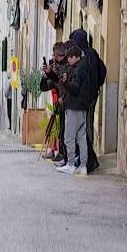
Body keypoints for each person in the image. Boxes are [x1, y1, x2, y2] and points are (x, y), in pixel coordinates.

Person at [69, 29, 106, 173]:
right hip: (91, 96)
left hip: (86, 99)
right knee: (85, 128)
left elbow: (100, 72)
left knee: (84, 129)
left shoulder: (85, 57)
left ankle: (90, 161)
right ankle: (88, 159)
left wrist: (93, 87)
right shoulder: (93, 54)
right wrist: (97, 86)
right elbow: (103, 71)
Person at [56, 46, 91, 175]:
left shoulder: (77, 70)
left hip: (74, 106)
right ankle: (83, 166)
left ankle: (70, 164)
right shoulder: (85, 67)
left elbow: (75, 88)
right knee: (81, 137)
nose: (69, 60)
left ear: (77, 57)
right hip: (83, 107)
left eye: (71, 57)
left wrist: (65, 83)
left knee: (69, 137)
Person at [40, 42, 69, 164]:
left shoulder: (66, 67)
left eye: (54, 54)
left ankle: (64, 156)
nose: (52, 57)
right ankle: (59, 152)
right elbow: (45, 86)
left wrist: (51, 74)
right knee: (61, 129)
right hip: (57, 101)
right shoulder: (56, 66)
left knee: (65, 131)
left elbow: (61, 84)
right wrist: (46, 75)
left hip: (65, 102)